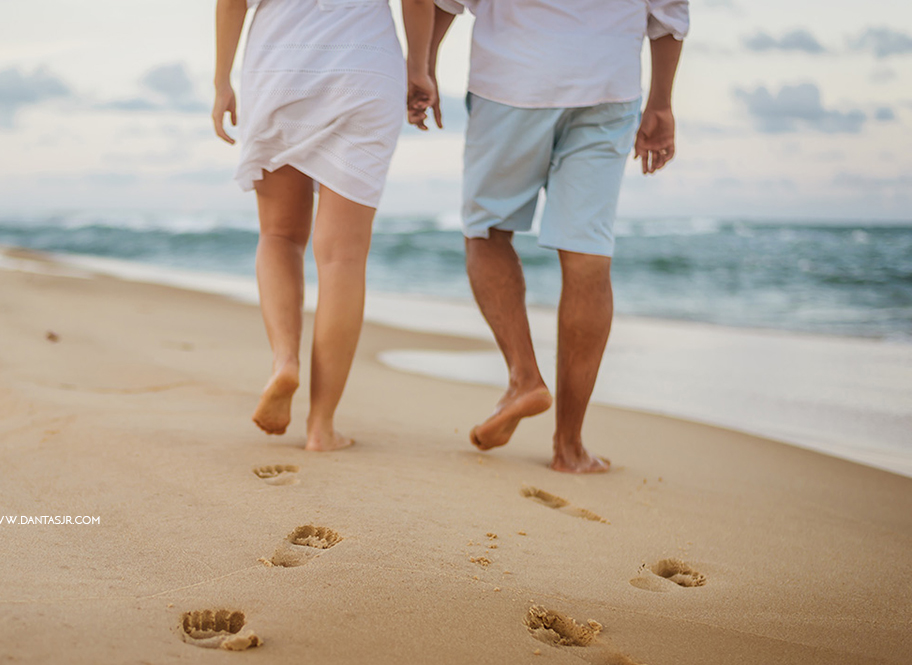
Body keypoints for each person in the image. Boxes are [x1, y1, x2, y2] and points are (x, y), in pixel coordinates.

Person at [411, 0, 687, 472]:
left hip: (512, 78)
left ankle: (524, 378)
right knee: (588, 254)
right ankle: (569, 447)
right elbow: (670, 13)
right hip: (607, 84)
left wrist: (422, 66)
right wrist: (661, 101)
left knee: (487, 232)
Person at [214, 0, 436, 451]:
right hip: (364, 67)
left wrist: (222, 80)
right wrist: (420, 66)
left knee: (279, 234)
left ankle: (284, 361)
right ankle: (322, 427)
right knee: (342, 258)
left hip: (280, 62)